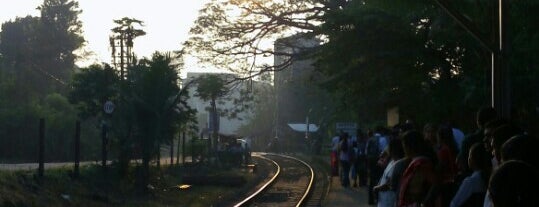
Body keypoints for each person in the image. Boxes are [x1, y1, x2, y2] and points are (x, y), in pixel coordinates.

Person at [398, 130, 440, 207]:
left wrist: (424, 203)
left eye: (404, 146)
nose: (403, 149)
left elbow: (435, 184)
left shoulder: (421, 164)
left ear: (410, 147)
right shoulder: (413, 163)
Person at [374, 138, 404, 207]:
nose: (387, 149)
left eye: (389, 147)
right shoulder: (392, 161)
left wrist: (377, 188)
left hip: (389, 200)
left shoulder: (399, 164)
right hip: (383, 199)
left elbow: (390, 184)